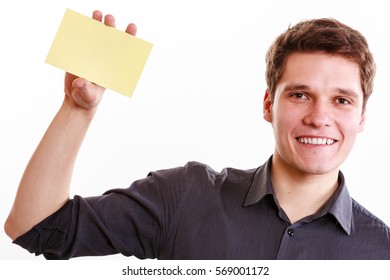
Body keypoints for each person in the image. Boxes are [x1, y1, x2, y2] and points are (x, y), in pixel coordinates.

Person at [4, 10, 390, 260]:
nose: (319, 117)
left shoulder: (381, 253)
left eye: (341, 100)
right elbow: (35, 228)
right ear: (269, 105)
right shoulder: (187, 196)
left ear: (362, 117)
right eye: (300, 95)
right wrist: (78, 108)